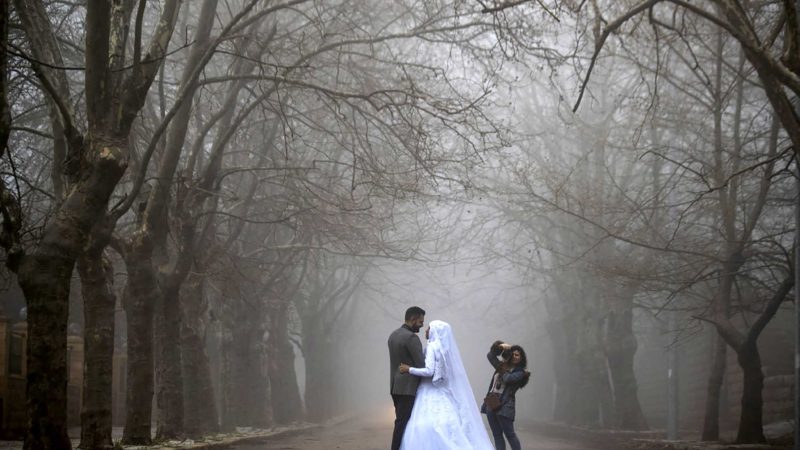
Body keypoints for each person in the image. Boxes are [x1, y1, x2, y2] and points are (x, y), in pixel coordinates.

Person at [398, 320, 494, 450]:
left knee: (423, 424)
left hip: (428, 390)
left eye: (429, 328)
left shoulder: (432, 346)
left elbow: (429, 371)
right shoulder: (444, 349)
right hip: (441, 391)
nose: (426, 330)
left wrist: (409, 369)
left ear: (435, 331)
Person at [388, 306, 426, 450]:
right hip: (408, 388)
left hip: (395, 386)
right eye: (421, 321)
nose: (422, 325)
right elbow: (421, 365)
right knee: (403, 424)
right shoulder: (411, 338)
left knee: (400, 421)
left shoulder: (393, 335)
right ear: (412, 319)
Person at [481, 341, 530, 450]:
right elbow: (490, 356)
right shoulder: (502, 366)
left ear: (522, 358)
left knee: (510, 435)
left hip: (505, 406)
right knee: (497, 434)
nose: (514, 356)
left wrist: (501, 367)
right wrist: (500, 346)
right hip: (492, 402)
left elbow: (508, 378)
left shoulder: (521, 372)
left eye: (517, 355)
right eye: (513, 353)